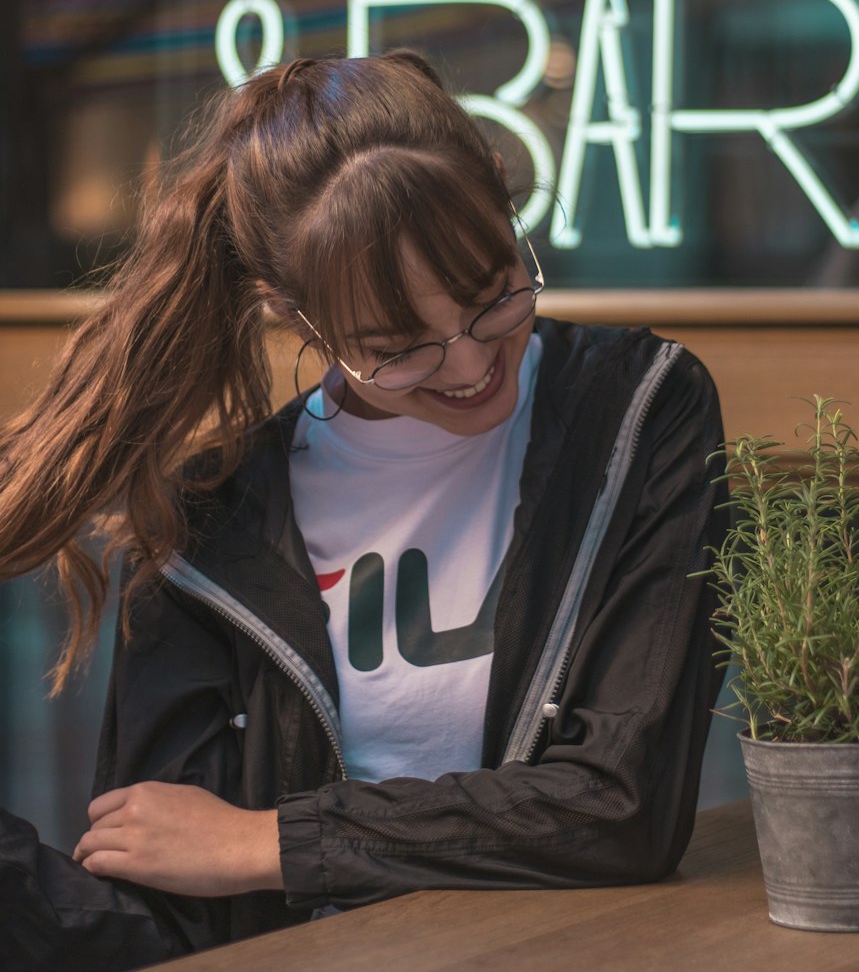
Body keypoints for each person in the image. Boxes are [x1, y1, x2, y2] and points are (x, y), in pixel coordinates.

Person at [0, 51, 726, 971]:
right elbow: (175, 909)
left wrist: (270, 844)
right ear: (295, 317)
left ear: (504, 202)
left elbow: (621, 807)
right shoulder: (210, 520)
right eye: (397, 348)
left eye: (493, 295)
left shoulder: (637, 413)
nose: (468, 368)